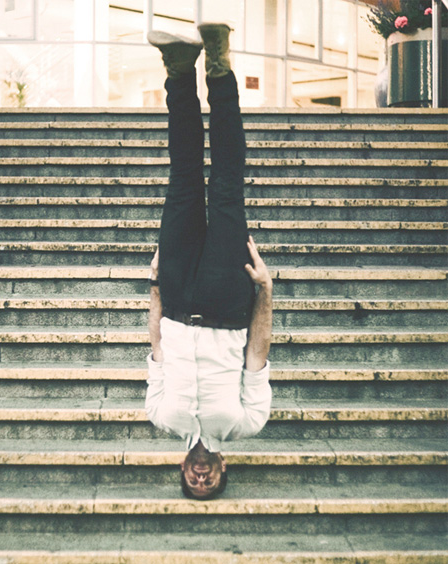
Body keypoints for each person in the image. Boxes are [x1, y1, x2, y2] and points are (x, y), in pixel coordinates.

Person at [145, 23, 273, 500]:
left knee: (182, 179)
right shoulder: (247, 422)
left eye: (193, 482)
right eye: (210, 481)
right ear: (222, 470)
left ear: (182, 468)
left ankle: (179, 69)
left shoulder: (160, 415)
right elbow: (257, 353)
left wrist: (156, 285)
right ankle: (218, 66)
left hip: (176, 295)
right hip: (225, 300)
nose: (201, 477)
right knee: (225, 184)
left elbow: (157, 347)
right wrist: (266, 288)